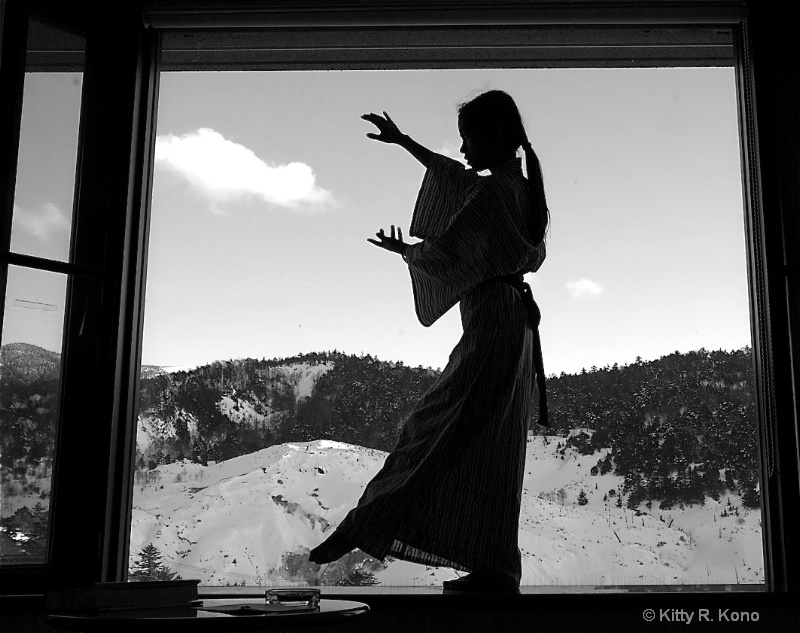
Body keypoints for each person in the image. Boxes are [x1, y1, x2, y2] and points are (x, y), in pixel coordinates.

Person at [308, 90, 549, 592]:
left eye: (467, 139)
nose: (462, 150)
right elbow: (457, 180)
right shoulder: (520, 189)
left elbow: (449, 252)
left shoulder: (493, 195)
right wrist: (405, 143)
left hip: (493, 324)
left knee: (435, 424)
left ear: (491, 137)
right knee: (492, 444)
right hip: (514, 326)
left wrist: (410, 253)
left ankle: (368, 521)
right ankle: (494, 567)